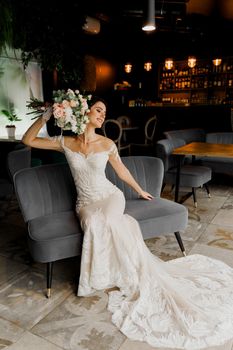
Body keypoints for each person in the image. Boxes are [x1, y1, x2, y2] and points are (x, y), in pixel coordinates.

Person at [23, 96, 233, 350]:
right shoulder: (65, 142)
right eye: (98, 110)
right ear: (83, 113)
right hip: (86, 203)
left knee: (109, 220)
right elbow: (28, 140)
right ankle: (99, 277)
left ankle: (124, 272)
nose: (102, 115)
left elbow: (121, 171)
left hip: (110, 196)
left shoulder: (107, 143)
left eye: (104, 111)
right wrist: (46, 116)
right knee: (91, 223)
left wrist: (140, 189)